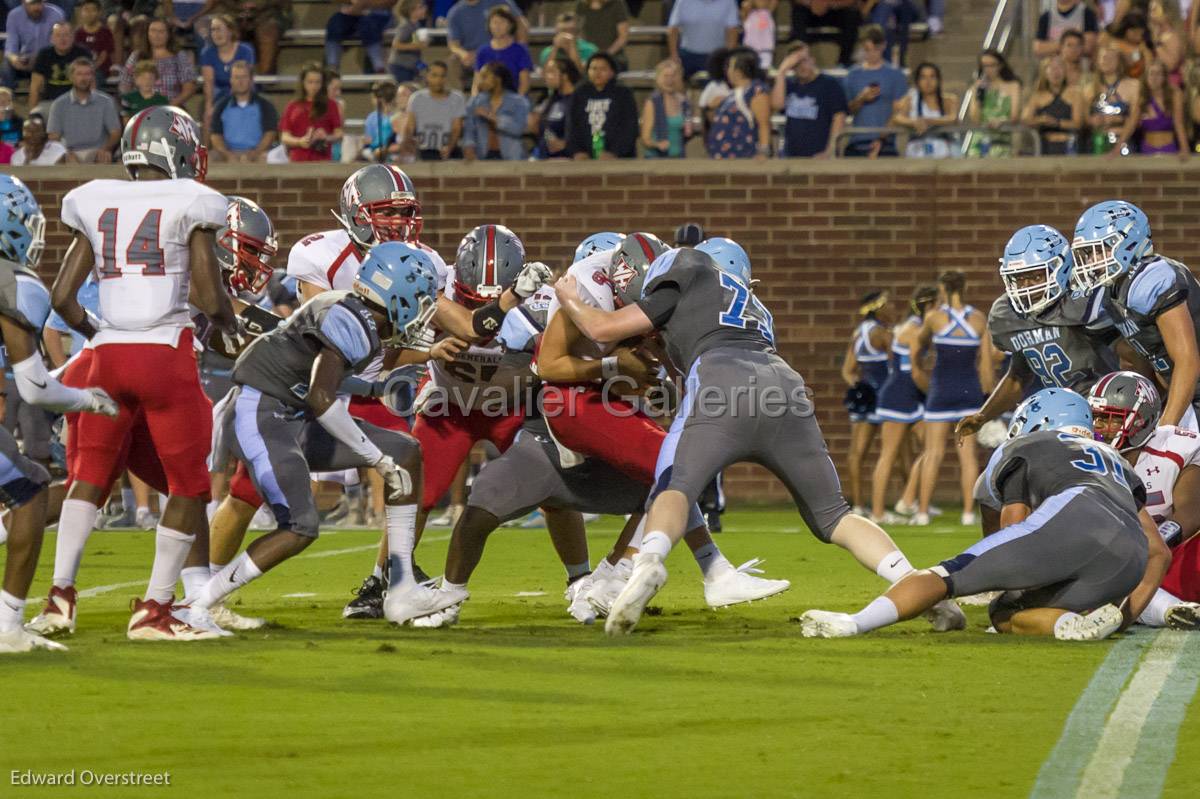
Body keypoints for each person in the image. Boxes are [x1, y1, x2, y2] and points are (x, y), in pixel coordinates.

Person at [551, 239, 964, 637]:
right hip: (784, 386)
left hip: (720, 380)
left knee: (673, 487)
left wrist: (568, 292)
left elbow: (602, 328)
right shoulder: (754, 305)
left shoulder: (685, 268)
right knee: (833, 515)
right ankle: (916, 583)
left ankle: (650, 562)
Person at [183, 243, 461, 631]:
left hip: (290, 411)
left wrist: (372, 391)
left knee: (405, 451)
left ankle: (400, 589)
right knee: (300, 525)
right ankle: (196, 605)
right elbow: (322, 398)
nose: (424, 307)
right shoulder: (354, 320)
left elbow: (318, 377)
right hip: (262, 412)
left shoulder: (359, 314)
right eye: (419, 297)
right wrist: (374, 459)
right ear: (395, 291)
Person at [50, 105, 240, 641]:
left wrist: (99, 333)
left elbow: (63, 298)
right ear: (177, 151)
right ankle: (155, 610)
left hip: (107, 356)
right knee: (188, 485)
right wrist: (228, 326)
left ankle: (60, 596)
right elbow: (206, 294)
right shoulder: (190, 200)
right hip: (163, 351)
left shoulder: (97, 197)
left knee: (88, 476)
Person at [533, 234, 792, 622]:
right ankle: (629, 577)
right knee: (673, 471)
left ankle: (617, 580)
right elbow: (548, 366)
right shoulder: (588, 283)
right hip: (571, 400)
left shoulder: (669, 280)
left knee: (674, 473)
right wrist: (613, 366)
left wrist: (669, 390)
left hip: (607, 397)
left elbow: (666, 363)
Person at [801, 388, 1169, 642]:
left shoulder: (1030, 443)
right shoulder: (1116, 460)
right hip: (1128, 556)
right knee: (1006, 612)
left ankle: (854, 623)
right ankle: (1072, 624)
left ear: (1035, 421)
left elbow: (1014, 526)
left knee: (944, 576)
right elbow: (1158, 551)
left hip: (1075, 515)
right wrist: (1128, 612)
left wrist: (998, 573)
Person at [0, 175, 116, 654]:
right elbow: (35, 385)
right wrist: (88, 400)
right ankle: (7, 625)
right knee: (28, 493)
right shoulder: (14, 282)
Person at [957, 225, 1118, 451]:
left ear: (1060, 269)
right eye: (1019, 278)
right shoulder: (1012, 315)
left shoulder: (1085, 302)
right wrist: (984, 414)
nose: (1027, 286)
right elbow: (1018, 376)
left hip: (1106, 414)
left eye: (1035, 276)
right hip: (1062, 415)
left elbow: (1131, 354)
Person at [1071, 200, 1200, 430]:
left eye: (1101, 250)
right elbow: (1137, 355)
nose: (1092, 261)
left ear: (1129, 242)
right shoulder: (1112, 290)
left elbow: (1187, 360)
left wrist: (1165, 427)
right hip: (1188, 396)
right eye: (1088, 254)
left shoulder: (1151, 278)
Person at [1088, 371, 1200, 630]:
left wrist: (1156, 543)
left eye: (1111, 418)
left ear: (1142, 420)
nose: (1100, 428)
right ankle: (1171, 610)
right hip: (1116, 559)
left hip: (1171, 552)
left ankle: (1170, 607)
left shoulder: (1175, 447)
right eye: (1097, 418)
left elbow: (1192, 511)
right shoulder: (1083, 455)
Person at [913, 270, 990, 527]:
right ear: (964, 288)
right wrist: (986, 394)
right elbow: (986, 365)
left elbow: (918, 345)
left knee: (933, 453)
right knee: (968, 457)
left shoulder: (935, 318)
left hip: (940, 390)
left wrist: (918, 368)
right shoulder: (979, 319)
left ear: (943, 290)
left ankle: (922, 512)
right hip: (969, 391)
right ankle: (969, 512)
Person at [870, 284, 936, 524]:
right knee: (888, 454)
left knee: (931, 448)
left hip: (912, 396)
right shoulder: (914, 330)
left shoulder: (920, 328)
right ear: (928, 306)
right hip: (898, 396)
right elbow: (916, 373)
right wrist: (934, 394)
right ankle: (877, 513)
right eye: (938, 306)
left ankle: (907, 500)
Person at [840, 291, 893, 515]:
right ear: (877, 308)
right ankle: (911, 504)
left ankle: (859, 506)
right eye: (887, 304)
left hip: (865, 400)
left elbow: (847, 371)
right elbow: (898, 366)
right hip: (886, 399)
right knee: (897, 451)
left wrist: (861, 389)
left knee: (856, 453)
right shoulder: (881, 333)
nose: (891, 308)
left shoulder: (857, 333)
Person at [843, 25, 908, 158]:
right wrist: (861, 99)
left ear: (883, 46)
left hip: (887, 145)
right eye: (867, 50)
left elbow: (899, 111)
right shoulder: (852, 75)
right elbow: (847, 111)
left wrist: (881, 139)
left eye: (875, 49)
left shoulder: (896, 76)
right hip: (857, 143)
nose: (871, 54)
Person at [773, 42, 847, 159]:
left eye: (805, 61)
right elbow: (777, 105)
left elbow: (839, 117)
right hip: (791, 156)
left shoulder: (829, 84)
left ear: (813, 60)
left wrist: (830, 150)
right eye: (797, 63)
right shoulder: (788, 85)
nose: (802, 67)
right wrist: (781, 72)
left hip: (819, 155)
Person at [182, 0, 289, 75]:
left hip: (269, 12)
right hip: (236, 12)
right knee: (224, 27)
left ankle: (264, 77)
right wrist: (240, 8)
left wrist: (257, 4)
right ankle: (226, 74)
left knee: (268, 30)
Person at [47, 57, 120, 163]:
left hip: (97, 151)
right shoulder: (58, 104)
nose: (83, 78)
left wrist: (105, 149)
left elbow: (115, 133)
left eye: (87, 74)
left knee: (105, 157)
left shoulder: (106, 101)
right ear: (71, 77)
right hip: (70, 152)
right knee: (66, 160)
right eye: (79, 74)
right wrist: (65, 153)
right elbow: (54, 136)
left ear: (93, 77)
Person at [566, 52, 637, 159]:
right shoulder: (579, 94)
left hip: (618, 158)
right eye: (593, 68)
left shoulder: (623, 94)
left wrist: (615, 152)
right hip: (584, 158)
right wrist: (577, 151)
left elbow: (629, 128)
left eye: (603, 69)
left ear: (612, 72)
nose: (597, 73)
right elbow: (572, 126)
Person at [117, 18, 197, 108]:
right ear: (147, 33)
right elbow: (125, 84)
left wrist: (167, 107)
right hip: (141, 109)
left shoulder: (179, 56)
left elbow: (189, 88)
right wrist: (134, 105)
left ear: (169, 35)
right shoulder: (136, 56)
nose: (156, 35)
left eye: (161, 31)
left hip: (171, 109)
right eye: (153, 31)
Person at [707, 48, 770, 159]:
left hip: (742, 154)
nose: (727, 71)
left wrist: (763, 152)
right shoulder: (730, 95)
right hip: (722, 157)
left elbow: (763, 124)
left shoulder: (755, 91)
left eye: (730, 67)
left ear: (739, 71)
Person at [210, 60, 278, 162]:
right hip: (228, 153)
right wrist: (227, 154)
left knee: (267, 158)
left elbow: (270, 134)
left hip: (257, 152)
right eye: (236, 77)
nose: (240, 81)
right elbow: (215, 135)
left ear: (251, 80)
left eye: (244, 77)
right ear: (231, 80)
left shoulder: (265, 105)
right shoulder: (221, 105)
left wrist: (254, 154)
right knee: (209, 158)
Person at [446, 0, 525, 89]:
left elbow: (521, 24)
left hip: (501, 50)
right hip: (472, 56)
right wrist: (464, 54)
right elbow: (453, 44)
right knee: (453, 61)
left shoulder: (501, 2)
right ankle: (461, 99)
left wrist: (519, 47)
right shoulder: (455, 12)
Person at [462, 62, 529, 160]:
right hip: (482, 157)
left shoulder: (519, 102)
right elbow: (469, 130)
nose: (480, 82)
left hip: (511, 158)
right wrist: (469, 147)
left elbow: (518, 129)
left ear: (498, 79)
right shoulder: (475, 102)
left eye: (484, 77)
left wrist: (494, 118)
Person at [891, 61, 957, 158]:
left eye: (932, 77)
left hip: (942, 153)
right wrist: (914, 122)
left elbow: (953, 118)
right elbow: (897, 118)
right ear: (917, 81)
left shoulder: (949, 100)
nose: (928, 81)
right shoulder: (910, 99)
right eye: (923, 77)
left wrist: (928, 121)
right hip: (916, 152)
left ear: (939, 80)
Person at [1020, 56, 1085, 155]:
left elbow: (1078, 123)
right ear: (1045, 72)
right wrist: (1041, 120)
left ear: (1065, 72)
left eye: (1059, 67)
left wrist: (1056, 123)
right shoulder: (1037, 96)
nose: (1056, 72)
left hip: (1068, 145)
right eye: (1051, 68)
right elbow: (1025, 120)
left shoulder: (1076, 95)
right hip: (1044, 145)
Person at [279, 62, 343, 162]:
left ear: (322, 84)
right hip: (297, 162)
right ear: (303, 83)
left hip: (323, 160)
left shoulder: (331, 105)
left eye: (318, 82)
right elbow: (284, 137)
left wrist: (326, 137)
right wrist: (299, 142)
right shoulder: (292, 105)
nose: (314, 86)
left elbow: (339, 134)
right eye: (310, 82)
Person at [199, 13, 255, 127]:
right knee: (207, 114)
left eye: (219, 29)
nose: (216, 34)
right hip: (218, 92)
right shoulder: (207, 53)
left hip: (242, 90)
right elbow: (209, 83)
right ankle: (207, 145)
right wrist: (209, 106)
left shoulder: (245, 50)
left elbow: (245, 80)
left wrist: (223, 104)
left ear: (230, 31)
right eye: (213, 30)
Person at [403, 60, 465, 161]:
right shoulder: (416, 98)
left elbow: (456, 128)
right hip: (423, 152)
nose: (438, 80)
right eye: (434, 75)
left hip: (450, 151)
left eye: (442, 76)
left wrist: (449, 147)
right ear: (427, 77)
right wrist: (407, 146)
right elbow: (410, 127)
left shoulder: (457, 98)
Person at [965, 48, 1021, 157]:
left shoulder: (1013, 86)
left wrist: (1002, 121)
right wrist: (978, 94)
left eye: (992, 65)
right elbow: (974, 118)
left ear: (1000, 65)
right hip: (981, 139)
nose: (988, 69)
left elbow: (1015, 115)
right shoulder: (978, 87)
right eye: (985, 66)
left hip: (1002, 139)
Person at [1130, 57, 1189, 156]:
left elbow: (1179, 123)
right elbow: (1131, 124)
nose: (1154, 78)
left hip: (1168, 148)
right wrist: (1116, 149)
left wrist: (1184, 147)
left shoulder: (1174, 94)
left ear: (1164, 77)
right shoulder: (1142, 97)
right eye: (1151, 74)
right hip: (1146, 149)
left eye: (1158, 74)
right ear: (1146, 77)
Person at [667, 0, 740, 80]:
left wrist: (728, 58)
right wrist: (674, 55)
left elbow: (732, 30)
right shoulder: (682, 1)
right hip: (686, 55)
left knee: (715, 88)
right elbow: (672, 29)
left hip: (715, 57)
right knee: (676, 83)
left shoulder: (728, 2)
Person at [28, 21, 91, 113]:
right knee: (34, 122)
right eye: (58, 35)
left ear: (73, 37)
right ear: (51, 39)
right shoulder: (44, 55)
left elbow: (91, 84)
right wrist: (31, 113)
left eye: (66, 35)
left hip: (76, 102)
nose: (62, 39)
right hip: (50, 103)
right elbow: (35, 87)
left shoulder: (83, 53)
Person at [4, 0, 66, 89]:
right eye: (32, 3)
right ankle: (7, 99)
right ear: (23, 3)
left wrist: (39, 58)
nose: (37, 7)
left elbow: (58, 45)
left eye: (40, 3)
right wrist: (14, 59)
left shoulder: (56, 14)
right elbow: (11, 44)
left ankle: (52, 95)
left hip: (48, 59)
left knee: (59, 61)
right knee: (7, 65)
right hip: (25, 60)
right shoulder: (14, 15)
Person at [1088, 45, 1138, 154]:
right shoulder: (1090, 87)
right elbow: (1083, 118)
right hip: (1098, 142)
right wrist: (1092, 121)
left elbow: (1134, 119)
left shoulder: (1133, 85)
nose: (1107, 61)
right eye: (1103, 57)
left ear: (1120, 62)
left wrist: (1119, 145)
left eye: (1111, 58)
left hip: (1124, 142)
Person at [474, 6, 532, 96]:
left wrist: (515, 103)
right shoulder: (482, 51)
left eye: (502, 22)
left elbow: (524, 83)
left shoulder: (520, 50)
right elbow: (477, 83)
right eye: (494, 22)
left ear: (510, 25)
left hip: (514, 100)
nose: (497, 26)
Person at [640, 59, 692, 158]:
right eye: (666, 76)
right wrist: (658, 144)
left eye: (673, 76)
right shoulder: (652, 103)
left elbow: (687, 132)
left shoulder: (684, 102)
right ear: (658, 79)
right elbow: (645, 139)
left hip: (679, 159)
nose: (669, 80)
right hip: (656, 160)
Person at [325, 0, 393, 75]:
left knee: (369, 25)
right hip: (349, 14)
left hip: (377, 14)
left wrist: (366, 3)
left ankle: (379, 68)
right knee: (335, 24)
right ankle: (332, 67)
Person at [529, 56, 576, 159]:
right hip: (545, 154)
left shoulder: (578, 100)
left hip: (568, 157)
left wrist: (566, 144)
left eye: (551, 72)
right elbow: (543, 127)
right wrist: (550, 138)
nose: (546, 76)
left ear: (565, 76)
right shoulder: (551, 100)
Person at [790, 0, 859, 69]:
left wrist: (828, 3)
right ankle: (799, 59)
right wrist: (812, 3)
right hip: (809, 8)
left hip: (835, 9)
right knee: (798, 13)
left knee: (852, 15)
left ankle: (844, 62)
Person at [573, 0, 629, 71]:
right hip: (588, 56)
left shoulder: (617, 3)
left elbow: (622, 37)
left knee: (601, 67)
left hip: (613, 56)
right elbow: (577, 33)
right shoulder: (581, 5)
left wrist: (604, 56)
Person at [1035, 0, 1099, 58]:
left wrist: (1052, 46)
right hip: (1054, 67)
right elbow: (1038, 48)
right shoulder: (1046, 16)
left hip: (1081, 67)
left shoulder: (1087, 14)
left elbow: (1088, 46)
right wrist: (1072, 44)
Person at [1102, 9, 1151, 80]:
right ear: (1126, 30)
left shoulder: (1141, 47)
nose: (1139, 37)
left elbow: (1146, 66)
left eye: (1141, 34)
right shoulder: (1113, 42)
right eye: (1135, 33)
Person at [389, 0, 427, 83]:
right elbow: (396, 44)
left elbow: (414, 42)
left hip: (410, 66)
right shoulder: (405, 26)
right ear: (411, 11)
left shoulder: (416, 25)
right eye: (420, 7)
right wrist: (416, 46)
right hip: (401, 66)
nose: (424, 9)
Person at [73, 0, 113, 75]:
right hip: (82, 69)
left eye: (93, 10)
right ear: (81, 12)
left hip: (100, 70)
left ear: (99, 12)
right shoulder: (78, 33)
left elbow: (104, 55)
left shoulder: (105, 32)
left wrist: (92, 68)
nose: (89, 13)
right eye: (86, 10)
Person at [741, 0, 776, 70]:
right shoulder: (747, 14)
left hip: (765, 52)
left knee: (763, 73)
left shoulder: (768, 12)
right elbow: (745, 7)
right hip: (749, 52)